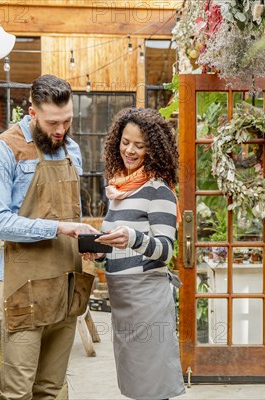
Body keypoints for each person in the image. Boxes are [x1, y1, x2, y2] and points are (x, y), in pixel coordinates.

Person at [0, 74, 99, 400]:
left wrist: (85, 242)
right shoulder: (3, 150)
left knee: (52, 388)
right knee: (17, 391)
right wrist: (59, 228)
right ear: (32, 112)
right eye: (52, 123)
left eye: (67, 120)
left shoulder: (71, 149)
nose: (60, 130)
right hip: (23, 289)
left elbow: (70, 215)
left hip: (66, 283)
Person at [90, 108, 186, 400]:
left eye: (139, 145)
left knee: (153, 387)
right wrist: (100, 253)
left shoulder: (159, 191)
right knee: (136, 386)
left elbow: (165, 251)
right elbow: (120, 249)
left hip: (147, 302)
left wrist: (132, 237)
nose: (129, 150)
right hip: (124, 302)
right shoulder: (121, 189)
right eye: (125, 141)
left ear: (154, 149)